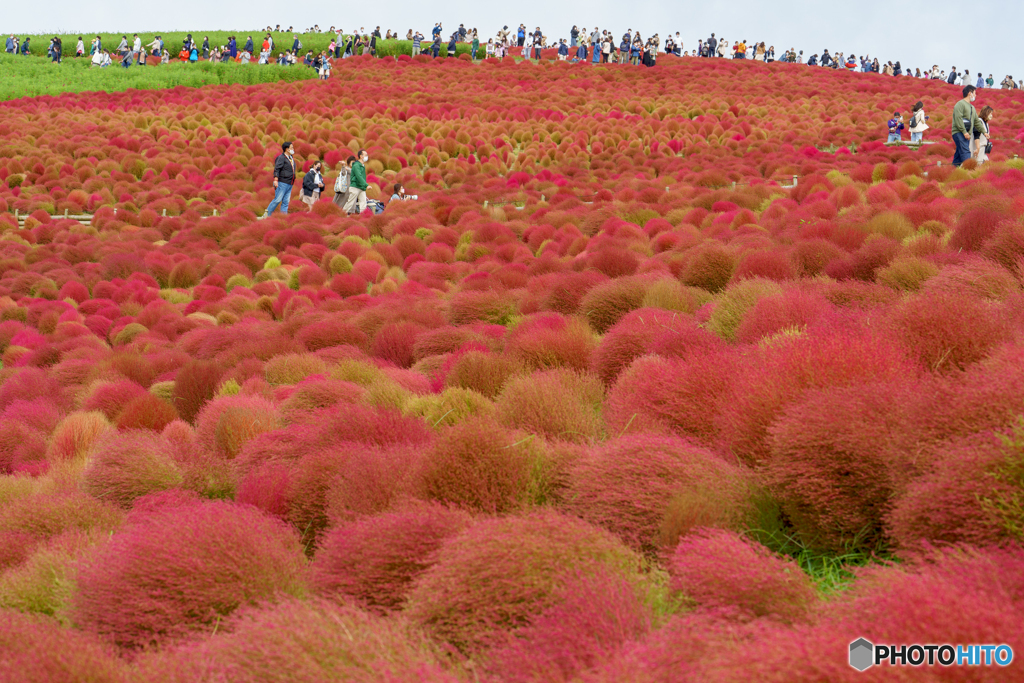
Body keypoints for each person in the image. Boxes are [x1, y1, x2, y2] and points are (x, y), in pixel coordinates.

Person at [263, 142, 297, 217]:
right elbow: (277, 169)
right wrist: (275, 180)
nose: (293, 149)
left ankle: (283, 217)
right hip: (282, 182)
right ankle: (266, 215)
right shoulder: (281, 158)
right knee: (277, 200)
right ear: (287, 149)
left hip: (290, 183)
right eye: (291, 148)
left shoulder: (291, 158)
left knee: (286, 202)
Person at [951, 85, 980, 167]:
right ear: (969, 93)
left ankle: (953, 170)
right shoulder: (960, 104)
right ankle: (969, 170)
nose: (975, 95)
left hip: (966, 133)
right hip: (960, 132)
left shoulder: (971, 107)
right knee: (965, 152)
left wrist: (984, 132)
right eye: (974, 93)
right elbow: (958, 119)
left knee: (959, 154)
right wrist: (964, 132)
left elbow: (976, 121)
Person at [344, 150, 369, 215]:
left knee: (363, 204)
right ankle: (342, 215)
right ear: (361, 156)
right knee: (350, 203)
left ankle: (363, 218)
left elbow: (362, 177)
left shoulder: (362, 165)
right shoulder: (356, 165)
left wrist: (364, 186)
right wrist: (366, 185)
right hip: (355, 187)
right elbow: (359, 176)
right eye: (365, 155)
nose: (367, 156)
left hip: (361, 187)